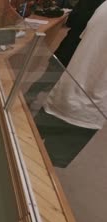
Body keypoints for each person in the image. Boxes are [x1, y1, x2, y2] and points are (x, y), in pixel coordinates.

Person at [35, 1, 107, 168]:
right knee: (43, 166)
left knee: (29, 152)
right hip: (88, 110)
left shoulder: (103, 6)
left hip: (65, 96)